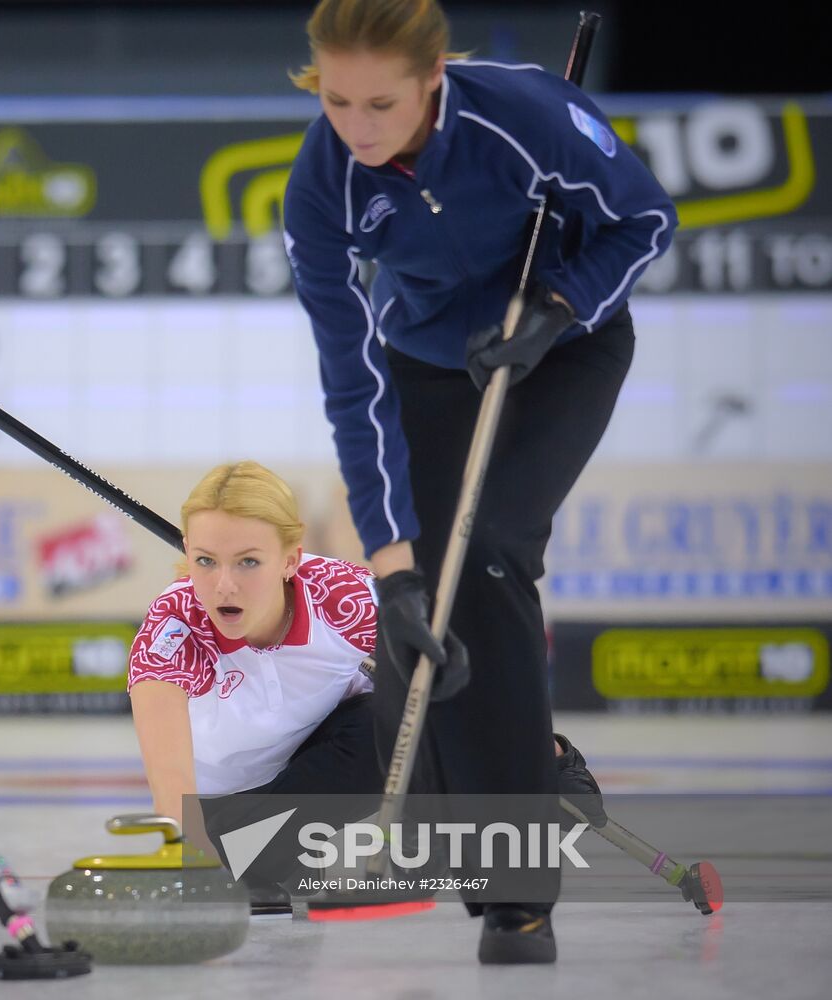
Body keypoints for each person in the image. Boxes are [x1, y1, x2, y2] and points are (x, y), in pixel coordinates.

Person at [282, 0, 675, 963]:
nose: (358, 129)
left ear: (434, 79)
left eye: (382, 103)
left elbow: (647, 219)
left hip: (564, 347)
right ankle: (518, 786)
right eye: (336, 102)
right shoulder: (321, 184)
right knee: (424, 596)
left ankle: (518, 896)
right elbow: (351, 383)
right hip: (425, 363)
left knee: (492, 549)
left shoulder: (526, 113)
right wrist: (390, 561)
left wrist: (560, 304)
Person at [126, 461, 602, 916]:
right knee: (228, 858)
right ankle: (258, 864)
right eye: (206, 560)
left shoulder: (341, 598)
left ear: (290, 559)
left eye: (248, 561)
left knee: (393, 714)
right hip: (221, 817)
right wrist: (197, 870)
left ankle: (398, 840)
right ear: (187, 551)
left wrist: (538, 757)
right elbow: (172, 793)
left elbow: (450, 679)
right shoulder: (171, 632)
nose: (223, 585)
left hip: (313, 775)